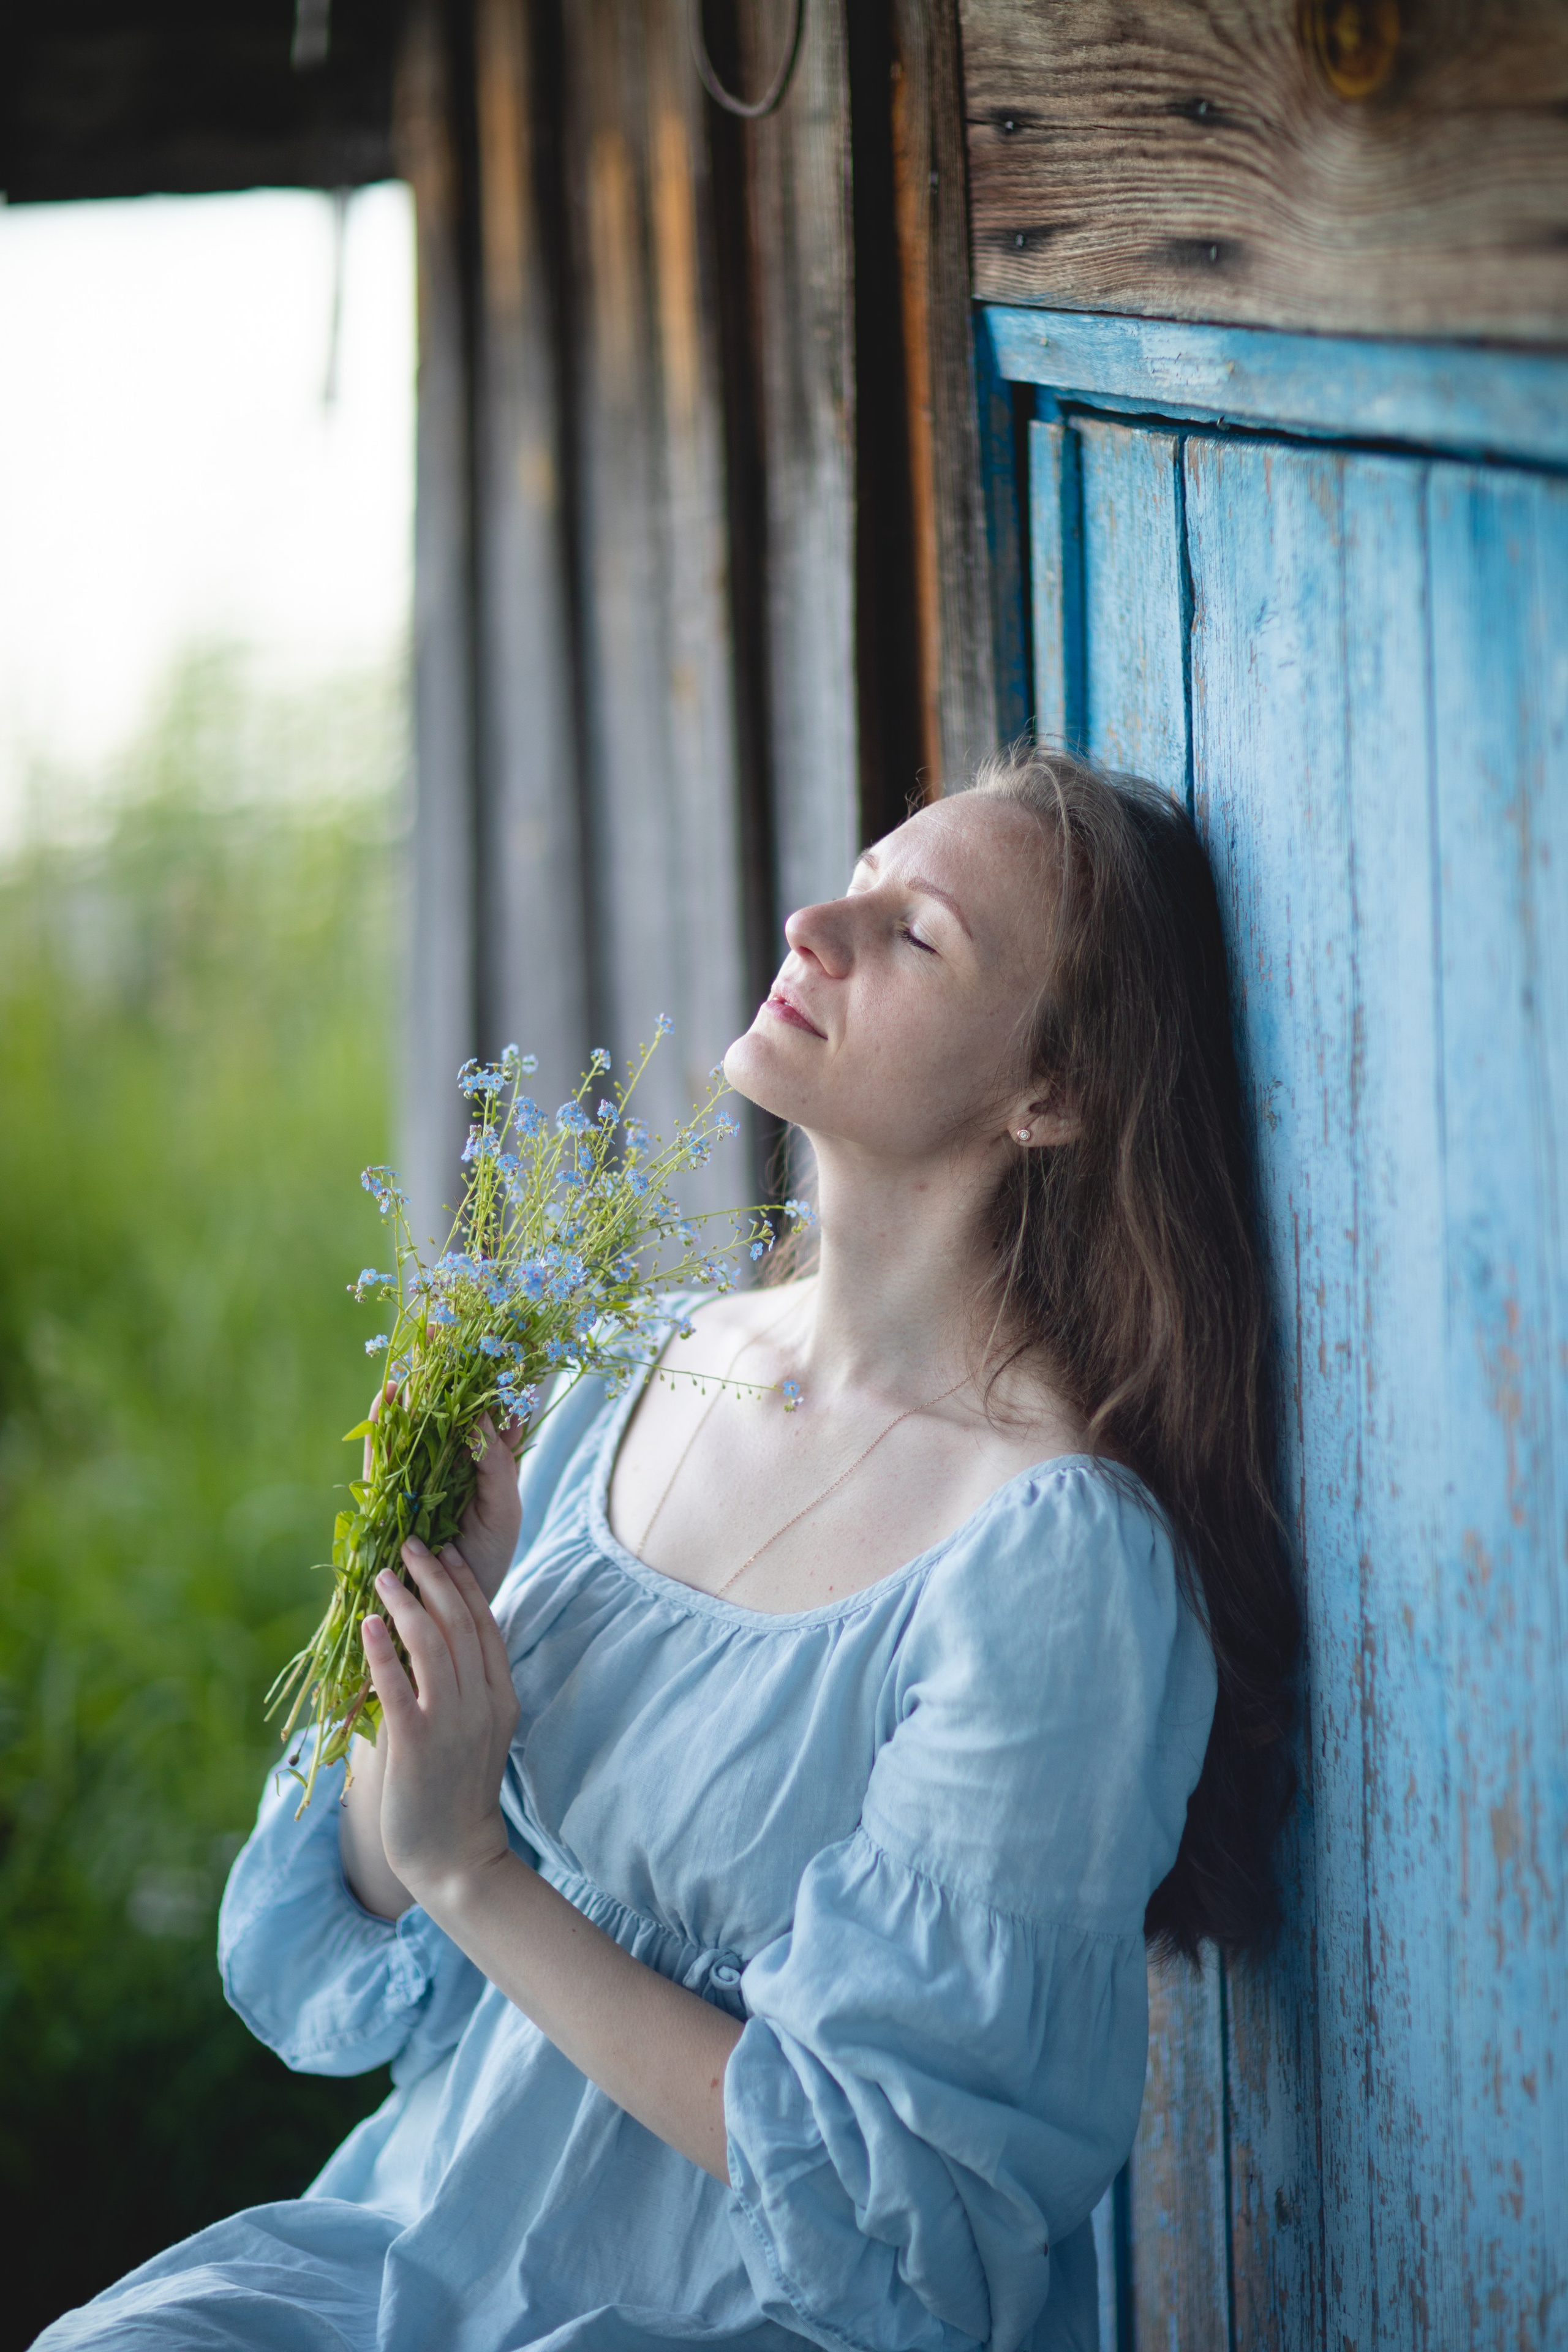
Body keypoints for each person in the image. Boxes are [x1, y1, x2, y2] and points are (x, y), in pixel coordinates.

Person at [40, 748, 1298, 2352]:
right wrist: (436, 1634)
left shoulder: (1054, 1565)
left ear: (1048, 1097)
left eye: (916, 936)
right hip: (413, 2244)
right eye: (860, 877)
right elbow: (357, 1937)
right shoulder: (629, 1365)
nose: (816, 926)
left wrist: (475, 1871)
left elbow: (893, 2220)